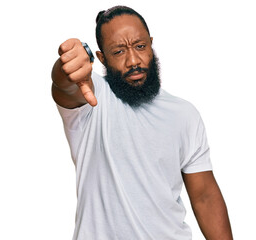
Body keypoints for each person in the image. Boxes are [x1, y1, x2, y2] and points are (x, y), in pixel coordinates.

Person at [51, 5, 233, 240]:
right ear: (101, 58)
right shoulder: (93, 99)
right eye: (119, 52)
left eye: (140, 46)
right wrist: (68, 68)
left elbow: (205, 196)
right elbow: (65, 85)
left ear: (151, 44)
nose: (134, 60)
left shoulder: (184, 114)